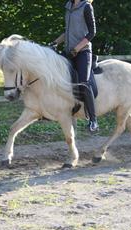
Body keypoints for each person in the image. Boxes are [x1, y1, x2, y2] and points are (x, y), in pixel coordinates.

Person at [51, 0, 99, 132]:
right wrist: (54, 43)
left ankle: (93, 120)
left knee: (83, 82)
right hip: (69, 52)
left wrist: (77, 49)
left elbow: (92, 33)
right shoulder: (68, 7)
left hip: (83, 52)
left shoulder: (86, 6)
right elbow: (67, 32)